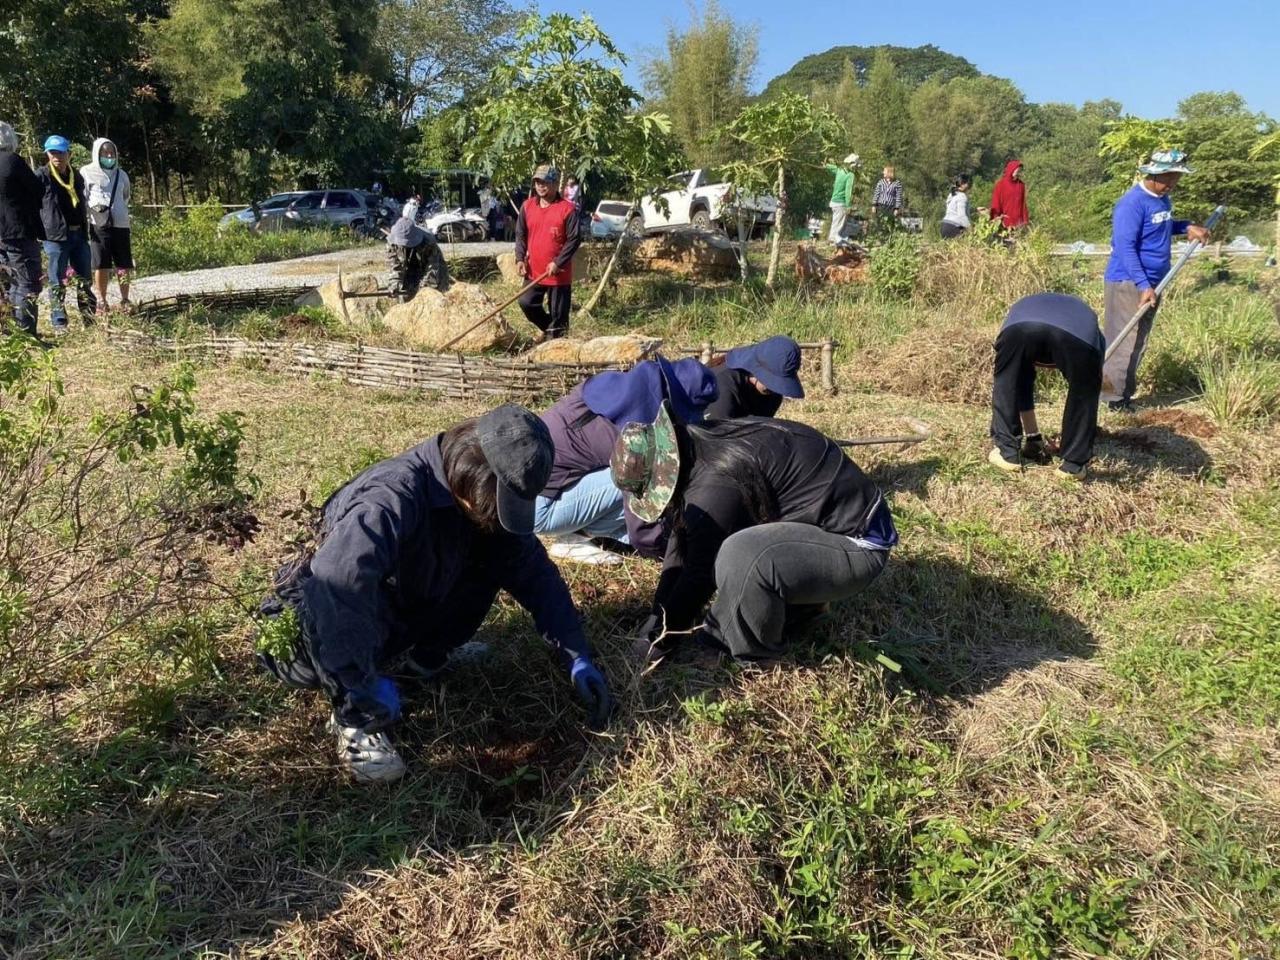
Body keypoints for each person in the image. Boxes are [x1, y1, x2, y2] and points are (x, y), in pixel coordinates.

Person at [257, 404, 613, 783]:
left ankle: (424, 659)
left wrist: (575, 653)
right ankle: (354, 720)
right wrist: (360, 692)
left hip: (397, 604)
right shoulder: (391, 498)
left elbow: (533, 573)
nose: (498, 512)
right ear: (470, 482)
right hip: (313, 619)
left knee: (495, 554)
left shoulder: (472, 504)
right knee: (320, 642)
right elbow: (336, 591)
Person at [614, 402, 898, 663]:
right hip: (826, 526)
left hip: (857, 546)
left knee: (742, 555)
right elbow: (681, 541)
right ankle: (802, 606)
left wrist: (663, 639)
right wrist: (659, 616)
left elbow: (698, 573)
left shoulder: (715, 486)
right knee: (739, 552)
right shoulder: (701, 441)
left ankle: (750, 651)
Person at [537, 356, 718, 566]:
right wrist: (668, 552)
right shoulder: (638, 431)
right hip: (539, 509)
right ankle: (574, 539)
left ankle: (584, 530)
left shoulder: (613, 385)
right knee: (638, 481)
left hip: (521, 496)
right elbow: (641, 509)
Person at [1100, 150, 1212, 413]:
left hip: (1152, 282)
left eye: (1177, 177)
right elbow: (1125, 247)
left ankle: (1123, 395)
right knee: (1123, 340)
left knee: (1139, 340)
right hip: (1129, 282)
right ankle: (1112, 400)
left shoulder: (1162, 199)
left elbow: (1161, 226)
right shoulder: (1132, 204)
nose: (1173, 182)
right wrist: (1142, 285)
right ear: (1154, 173)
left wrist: (1186, 227)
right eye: (1169, 176)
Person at [988, 293, 1104, 482]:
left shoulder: (1024, 308)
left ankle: (1007, 454)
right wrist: (1035, 439)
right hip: (1076, 337)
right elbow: (1087, 392)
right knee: (1084, 392)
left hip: (1018, 328)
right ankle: (1073, 466)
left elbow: (1018, 384)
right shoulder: (1094, 336)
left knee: (1006, 381)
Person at [35, 135, 96, 332]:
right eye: (52, 152)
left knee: (85, 279)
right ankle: (59, 322)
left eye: (60, 152)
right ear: (47, 154)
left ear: (68, 153)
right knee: (56, 281)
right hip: (55, 238)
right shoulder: (41, 176)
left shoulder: (76, 175)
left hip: (78, 235)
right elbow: (32, 204)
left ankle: (89, 319)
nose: (57, 156)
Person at [514, 164, 580, 340]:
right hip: (534, 271)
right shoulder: (527, 207)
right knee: (526, 302)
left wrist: (558, 262)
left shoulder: (568, 209)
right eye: (537, 182)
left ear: (555, 184)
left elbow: (574, 239)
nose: (540, 186)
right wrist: (520, 258)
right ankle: (551, 330)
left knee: (559, 315)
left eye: (545, 182)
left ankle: (556, 339)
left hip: (558, 274)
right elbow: (520, 234)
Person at [0, 121, 46, 337]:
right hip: (18, 230)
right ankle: (27, 334)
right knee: (27, 282)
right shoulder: (13, 161)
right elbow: (38, 189)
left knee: (8, 283)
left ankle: (9, 332)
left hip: (1, 233)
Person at [80, 138, 134, 316]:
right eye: (105, 153)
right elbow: (83, 197)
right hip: (98, 225)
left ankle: (125, 298)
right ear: (97, 153)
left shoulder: (122, 174)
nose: (109, 156)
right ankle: (101, 301)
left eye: (112, 152)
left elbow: (126, 196)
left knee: (123, 264)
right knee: (101, 264)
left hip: (121, 224)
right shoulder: (86, 172)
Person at [704, 335, 805, 420]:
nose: (775, 390)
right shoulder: (721, 386)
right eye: (772, 383)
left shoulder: (773, 395)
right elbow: (715, 438)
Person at [385, 215, 449, 301]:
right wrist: (394, 285)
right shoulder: (393, 243)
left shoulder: (429, 242)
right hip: (409, 269)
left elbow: (432, 270)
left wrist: (423, 291)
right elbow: (395, 267)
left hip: (433, 269)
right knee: (404, 297)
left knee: (432, 299)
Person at [824, 153, 860, 243]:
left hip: (834, 201)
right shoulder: (850, 175)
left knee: (835, 222)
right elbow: (848, 191)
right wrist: (848, 206)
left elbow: (831, 167)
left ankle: (832, 240)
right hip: (841, 203)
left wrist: (826, 165)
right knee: (839, 225)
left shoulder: (840, 170)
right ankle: (834, 242)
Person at [989, 160, 1029, 231]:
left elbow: (1023, 205)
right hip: (1005, 224)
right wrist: (995, 219)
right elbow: (996, 204)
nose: (1019, 173)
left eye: (1020, 171)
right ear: (1011, 170)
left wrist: (1025, 221)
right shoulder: (1000, 185)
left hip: (1019, 224)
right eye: (1017, 171)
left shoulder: (1021, 185)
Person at [940, 174, 972, 239]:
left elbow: (954, 211)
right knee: (969, 238)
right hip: (953, 227)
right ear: (964, 184)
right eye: (969, 184)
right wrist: (971, 229)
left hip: (944, 226)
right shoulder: (962, 196)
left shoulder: (952, 195)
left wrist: (975, 210)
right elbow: (962, 215)